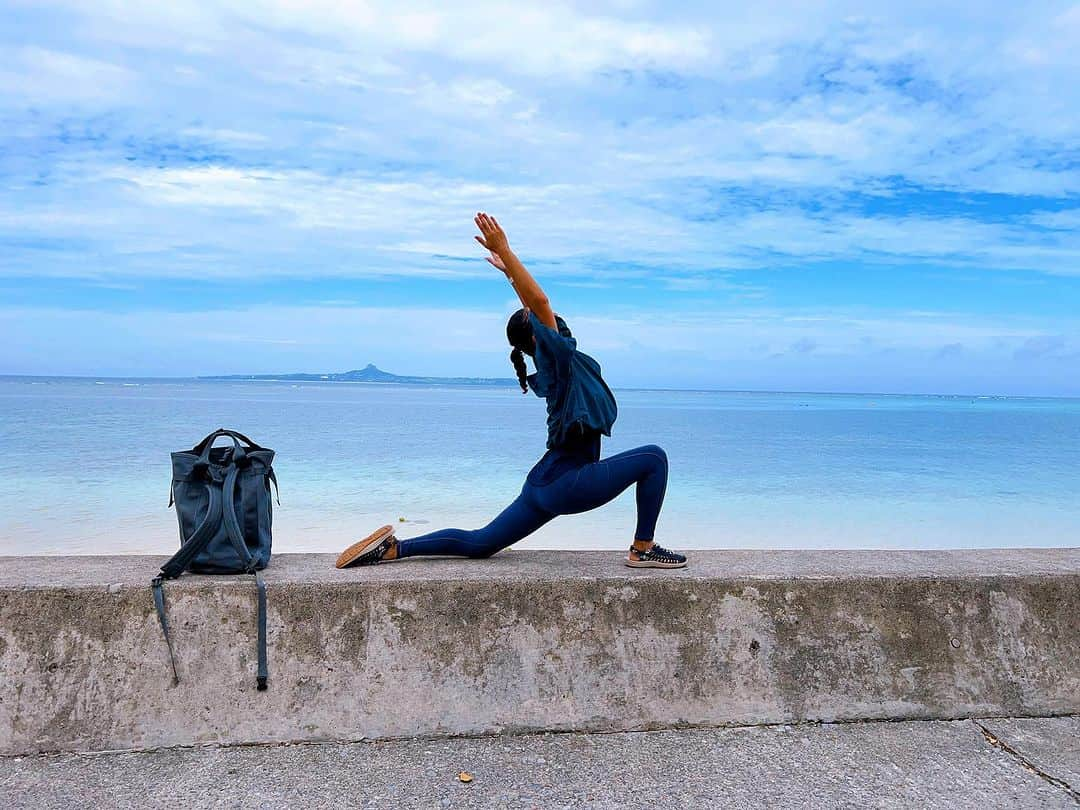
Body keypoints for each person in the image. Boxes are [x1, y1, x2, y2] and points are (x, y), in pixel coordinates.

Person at [336, 212, 687, 570]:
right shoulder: (558, 358)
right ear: (537, 335)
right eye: (535, 318)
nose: (544, 315)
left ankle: (395, 548)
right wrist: (507, 250)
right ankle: (643, 548)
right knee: (654, 458)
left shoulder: (556, 360)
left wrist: (509, 274)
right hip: (568, 481)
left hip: (542, 482)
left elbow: (534, 307)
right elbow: (541, 303)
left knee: (481, 542)